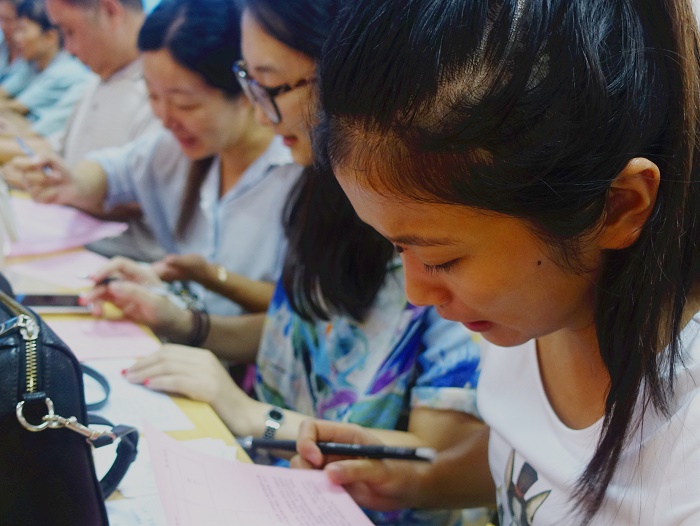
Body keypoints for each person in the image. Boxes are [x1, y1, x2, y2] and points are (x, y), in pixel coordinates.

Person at [291, 1, 700, 525]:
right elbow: (539, 473)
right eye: (397, 248)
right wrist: (418, 479)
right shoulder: (530, 313)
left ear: (617, 207)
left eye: (442, 258)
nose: (416, 292)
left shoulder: (680, 445)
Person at [112, 1, 485, 525]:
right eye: (249, 80)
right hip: (261, 482)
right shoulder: (317, 195)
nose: (262, 113)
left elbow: (436, 459)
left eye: (275, 86)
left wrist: (248, 412)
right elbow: (300, 333)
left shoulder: (435, 233)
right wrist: (187, 324)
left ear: (351, 78)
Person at [17, 0, 299, 319]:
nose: (165, 118)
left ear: (246, 91)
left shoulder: (295, 169)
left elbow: (300, 309)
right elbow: (111, 170)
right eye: (152, 96)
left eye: (185, 104)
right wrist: (72, 182)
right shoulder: (171, 150)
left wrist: (210, 279)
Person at [0, 0, 163, 261]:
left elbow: (152, 199)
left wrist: (68, 191)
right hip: (74, 246)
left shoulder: (160, 91)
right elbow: (57, 151)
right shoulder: (97, 81)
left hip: (128, 263)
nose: (69, 48)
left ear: (110, 12)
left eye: (70, 31)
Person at [0, 0, 93, 137]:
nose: (17, 37)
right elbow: (5, 94)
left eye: (23, 30)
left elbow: (17, 108)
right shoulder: (31, 64)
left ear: (50, 37)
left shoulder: (65, 72)